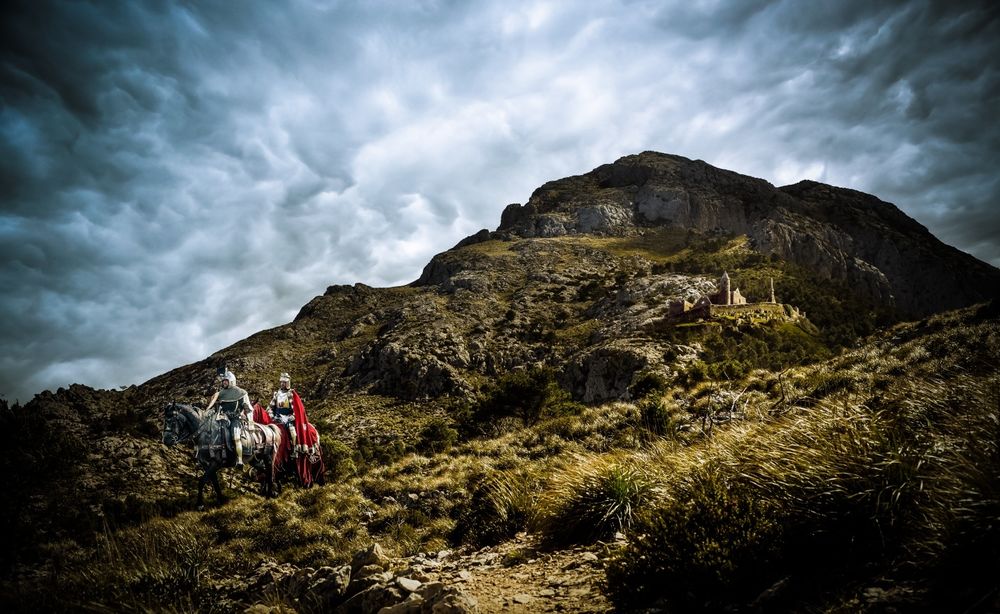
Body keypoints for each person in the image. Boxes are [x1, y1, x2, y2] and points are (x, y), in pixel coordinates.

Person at [206, 369, 254, 466]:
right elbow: (216, 406)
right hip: (223, 418)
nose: (224, 383)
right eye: (223, 381)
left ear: (231, 381)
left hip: (236, 419)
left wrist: (251, 423)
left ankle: (239, 460)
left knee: (236, 437)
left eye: (226, 381)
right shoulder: (221, 393)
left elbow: (248, 409)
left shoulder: (241, 393)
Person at [267, 372, 300, 457]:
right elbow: (270, 407)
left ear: (287, 383)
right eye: (281, 382)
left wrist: (293, 416)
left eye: (284, 382)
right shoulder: (277, 394)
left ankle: (294, 448)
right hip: (277, 417)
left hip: (288, 417)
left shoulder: (291, 394)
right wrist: (272, 416)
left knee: (291, 429)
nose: (282, 384)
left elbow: (296, 409)